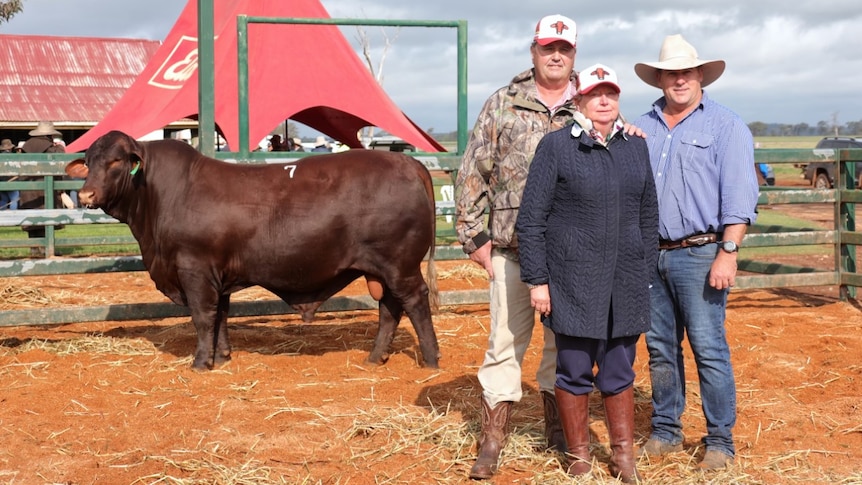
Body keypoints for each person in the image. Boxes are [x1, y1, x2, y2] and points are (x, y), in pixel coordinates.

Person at [516, 64, 658, 482]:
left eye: (610, 94)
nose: (603, 101)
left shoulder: (635, 146)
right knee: (573, 370)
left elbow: (648, 213)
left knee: (619, 371)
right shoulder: (557, 147)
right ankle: (579, 454)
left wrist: (643, 264)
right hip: (572, 282)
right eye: (595, 94)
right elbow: (531, 220)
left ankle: (623, 456)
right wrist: (538, 280)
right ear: (578, 99)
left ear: (618, 100)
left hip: (625, 281)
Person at [454, 14, 579, 480]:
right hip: (512, 252)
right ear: (533, 51)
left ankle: (559, 430)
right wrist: (476, 241)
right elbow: (472, 174)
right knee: (504, 344)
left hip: (570, 255)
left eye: (564, 48)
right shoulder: (503, 104)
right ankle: (492, 439)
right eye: (548, 46)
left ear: (573, 55)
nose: (555, 55)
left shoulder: (589, 106)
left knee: (563, 347)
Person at [632, 34, 759, 470]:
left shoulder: (726, 126)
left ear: (701, 75)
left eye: (686, 72)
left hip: (701, 252)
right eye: (671, 73)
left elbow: (740, 196)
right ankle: (666, 429)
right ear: (660, 79)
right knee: (661, 347)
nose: (679, 80)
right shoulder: (641, 128)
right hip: (650, 254)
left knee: (708, 347)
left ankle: (720, 439)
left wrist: (729, 250)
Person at [20, 121, 68, 256]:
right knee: (46, 218)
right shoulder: (52, 148)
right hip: (43, 189)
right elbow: (60, 160)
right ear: (49, 135)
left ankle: (34, 249)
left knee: (32, 220)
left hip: (27, 188)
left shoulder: (25, 147)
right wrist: (58, 147)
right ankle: (48, 249)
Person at [0, 138, 20, 210]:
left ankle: (1, 216)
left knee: (3, 200)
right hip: (12, 181)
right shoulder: (13, 157)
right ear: (10, 148)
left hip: (1, 181)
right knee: (14, 200)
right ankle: (13, 216)